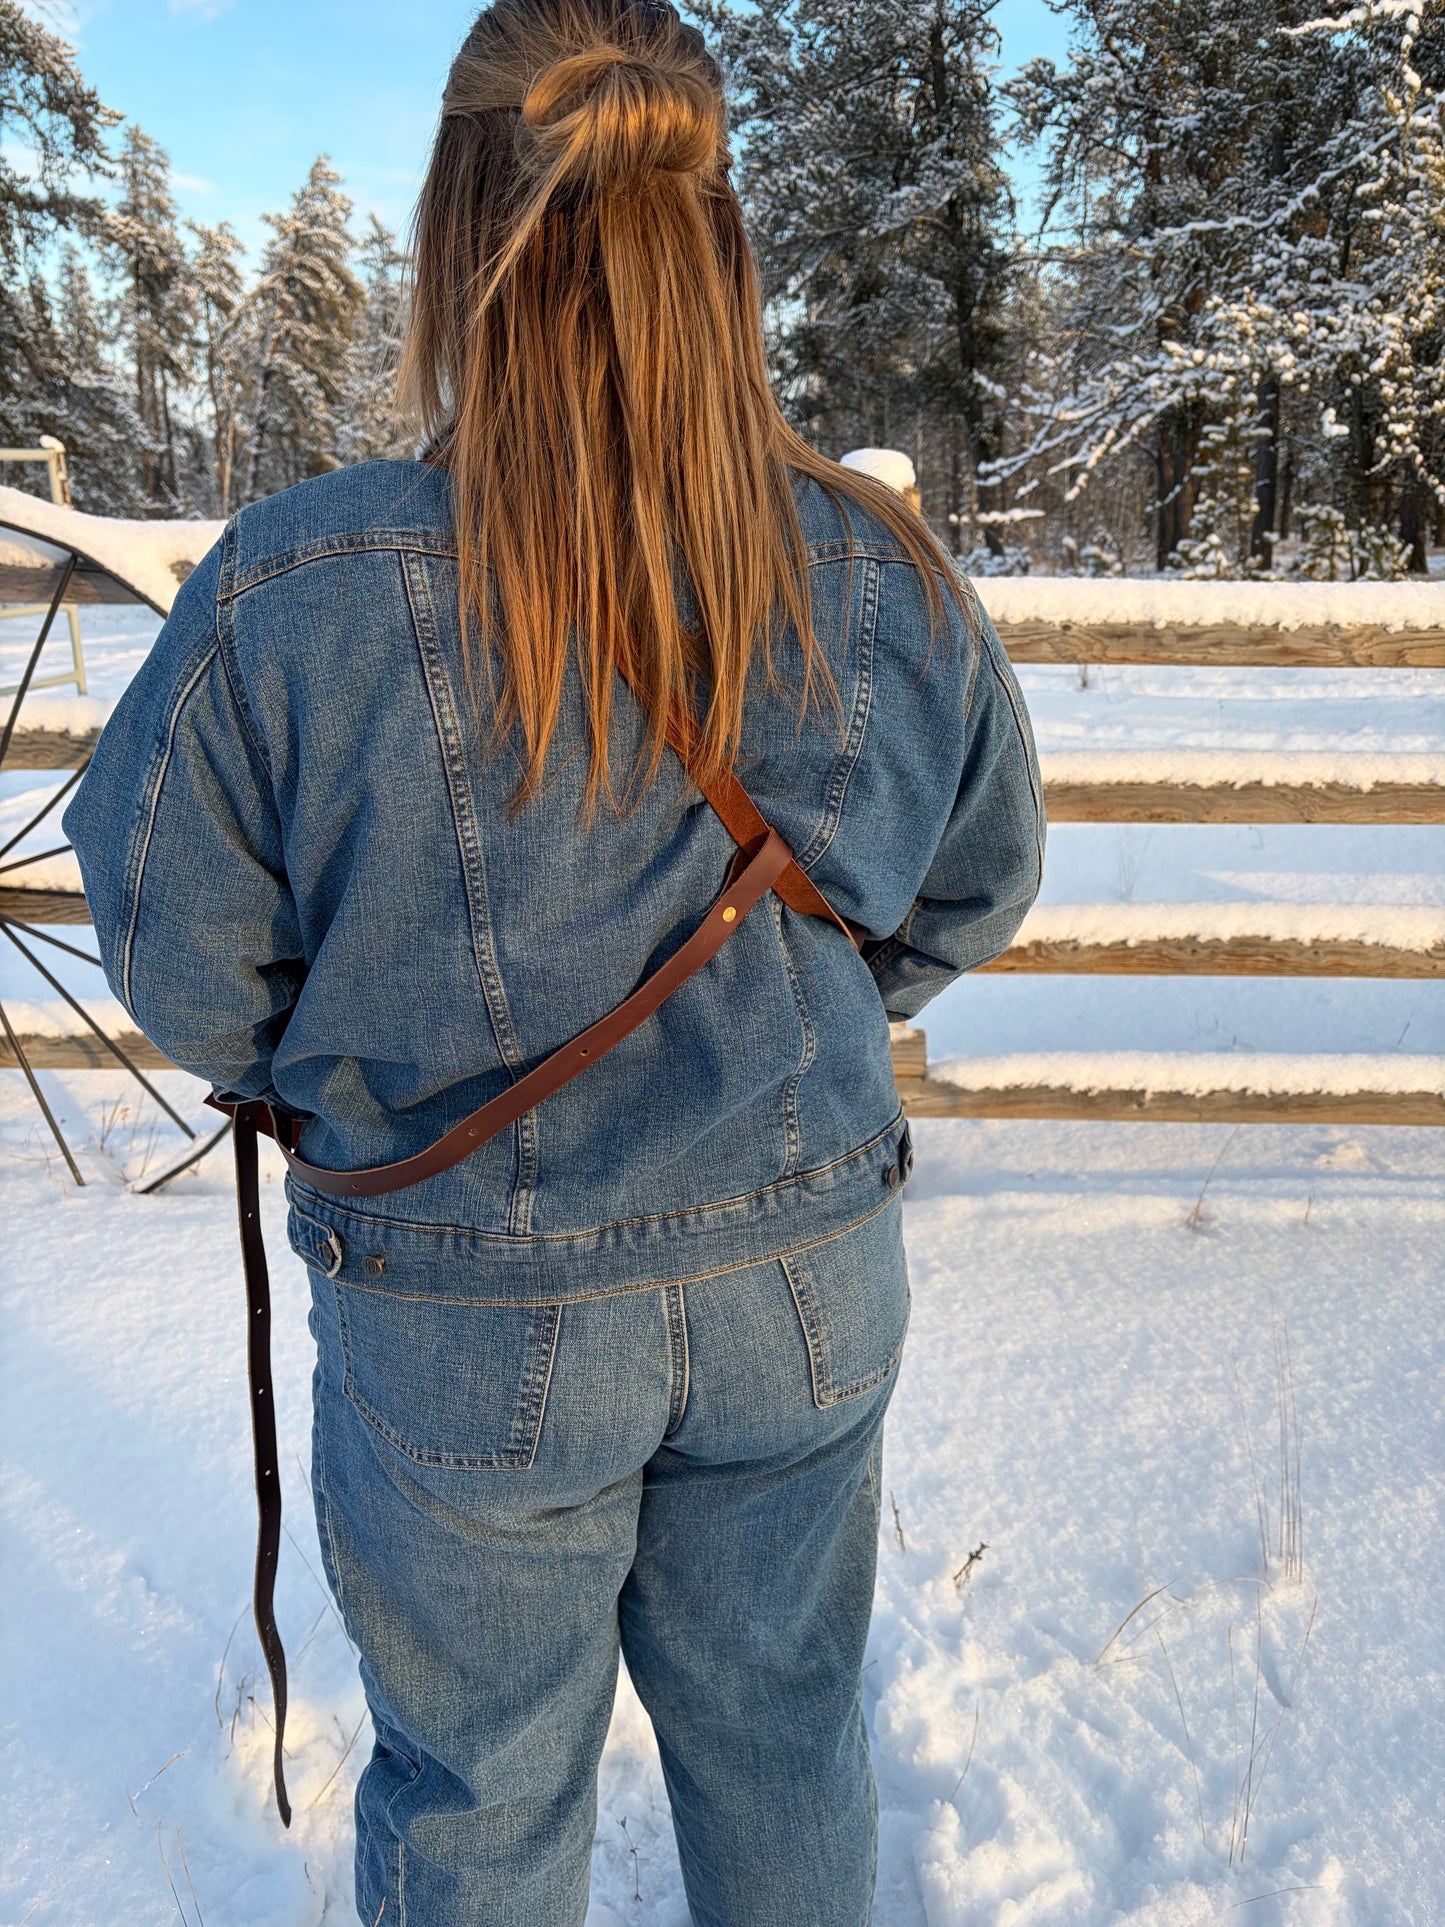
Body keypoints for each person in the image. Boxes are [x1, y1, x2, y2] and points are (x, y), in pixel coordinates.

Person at [64, 2, 1044, 1920]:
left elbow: (183, 963)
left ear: (457, 229)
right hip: (806, 1278)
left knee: (480, 1797)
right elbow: (971, 890)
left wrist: (357, 1057)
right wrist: (795, 1027)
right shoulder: (886, 574)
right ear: (715, 232)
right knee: (783, 1741)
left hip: (461, 1315)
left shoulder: (290, 585)